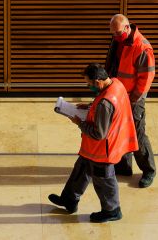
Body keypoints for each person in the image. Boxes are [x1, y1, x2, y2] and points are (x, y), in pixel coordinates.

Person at [48, 63, 138, 223]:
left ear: (98, 81)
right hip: (96, 148)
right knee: (81, 170)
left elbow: (99, 133)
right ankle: (69, 200)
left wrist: (79, 122)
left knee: (104, 181)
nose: (88, 87)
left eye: (89, 84)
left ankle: (112, 210)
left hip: (102, 150)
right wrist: (90, 107)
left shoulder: (105, 103)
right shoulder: (116, 84)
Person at [105, 14, 157, 188]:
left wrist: (133, 100)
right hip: (117, 95)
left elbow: (146, 78)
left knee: (137, 134)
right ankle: (123, 166)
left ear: (127, 27)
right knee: (119, 131)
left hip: (133, 99)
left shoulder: (142, 47)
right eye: (113, 34)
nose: (116, 37)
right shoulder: (118, 40)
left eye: (118, 33)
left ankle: (149, 171)